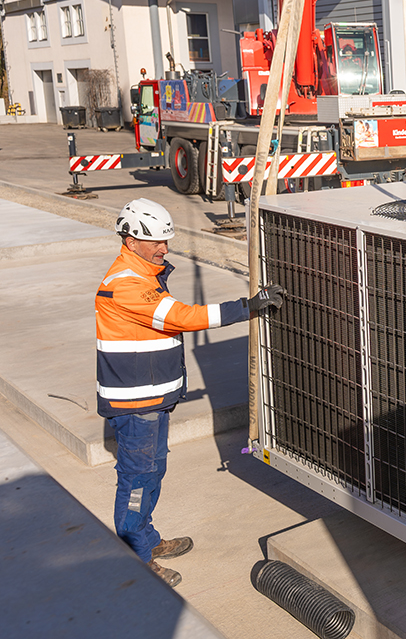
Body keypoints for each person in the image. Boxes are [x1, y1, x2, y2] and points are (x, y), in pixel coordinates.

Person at [96, 198, 284, 587]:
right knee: (136, 479)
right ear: (130, 241)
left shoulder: (143, 273)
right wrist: (245, 308)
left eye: (166, 240)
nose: (164, 249)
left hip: (151, 400)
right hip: (136, 405)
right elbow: (179, 317)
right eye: (156, 243)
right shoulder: (127, 284)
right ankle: (135, 552)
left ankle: (145, 538)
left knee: (152, 470)